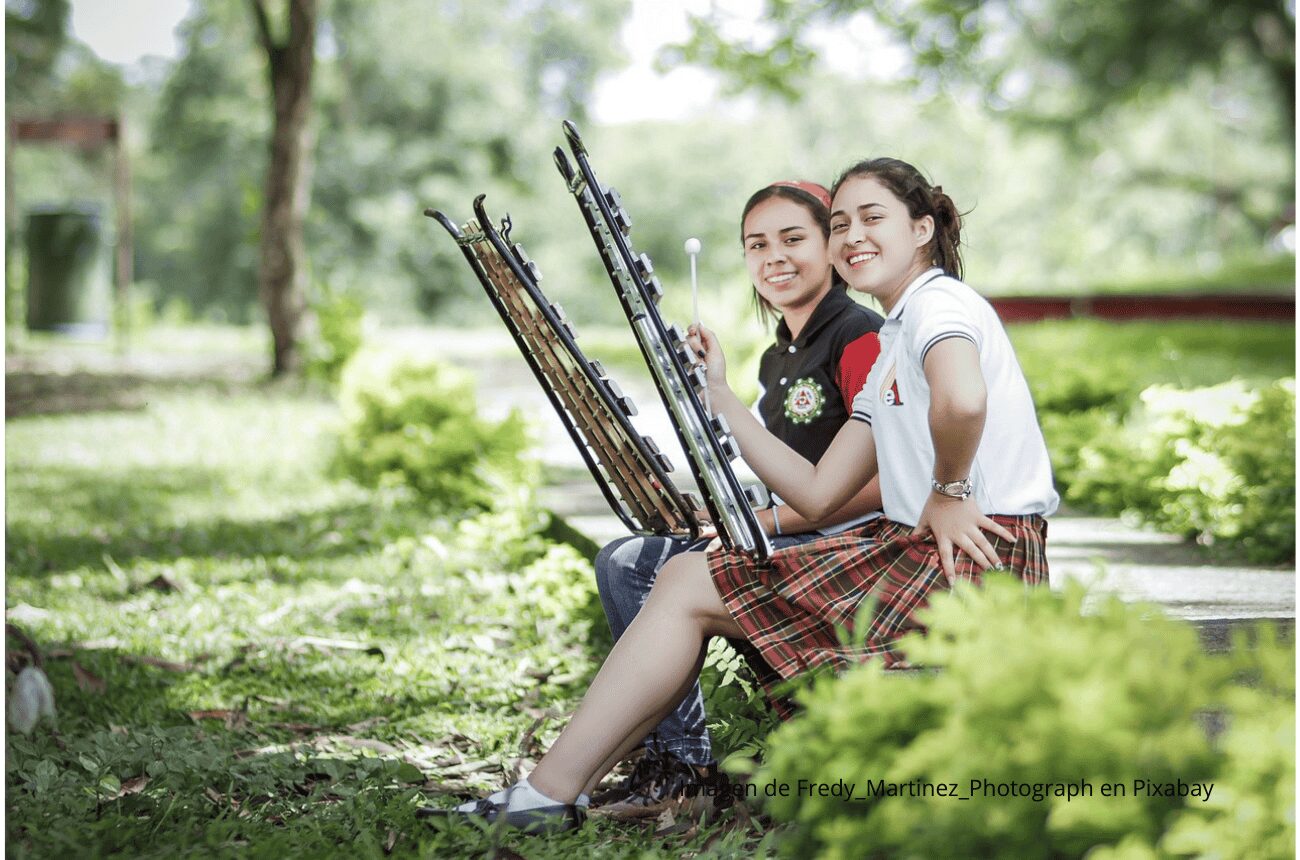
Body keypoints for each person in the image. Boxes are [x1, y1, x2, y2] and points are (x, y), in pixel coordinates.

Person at [420, 157, 1058, 834]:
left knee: (688, 581)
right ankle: (553, 795)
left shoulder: (939, 303)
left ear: (923, 227)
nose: (852, 237)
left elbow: (963, 398)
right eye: (840, 223)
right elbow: (816, 494)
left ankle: (557, 794)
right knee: (689, 577)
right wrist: (721, 395)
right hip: (917, 553)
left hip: (973, 559)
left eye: (873, 219)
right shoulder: (896, 336)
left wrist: (951, 488)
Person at [590, 180, 884, 817]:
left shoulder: (861, 337)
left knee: (639, 565)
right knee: (626, 556)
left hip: (850, 546)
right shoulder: (780, 356)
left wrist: (765, 519)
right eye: (757, 244)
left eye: (793, 238)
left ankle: (684, 766)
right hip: (790, 527)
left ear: (833, 246)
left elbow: (888, 480)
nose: (773, 256)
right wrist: (721, 509)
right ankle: (679, 764)